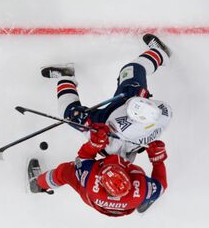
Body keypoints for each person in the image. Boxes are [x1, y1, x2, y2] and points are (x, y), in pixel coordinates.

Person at [41, 34, 173, 161]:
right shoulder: (164, 112)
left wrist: (95, 136)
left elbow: (115, 158)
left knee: (68, 112)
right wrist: (136, 96)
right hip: (128, 99)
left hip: (104, 127)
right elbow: (143, 102)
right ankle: (161, 53)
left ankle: (66, 76)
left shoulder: (115, 145)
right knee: (132, 69)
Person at [28, 123, 167, 216]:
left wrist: (95, 144)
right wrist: (158, 161)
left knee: (64, 172)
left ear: (100, 180)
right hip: (128, 203)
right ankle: (144, 201)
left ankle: (38, 184)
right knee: (148, 191)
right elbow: (161, 186)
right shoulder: (142, 189)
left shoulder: (90, 180)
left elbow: (83, 157)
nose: (116, 160)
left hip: (91, 197)